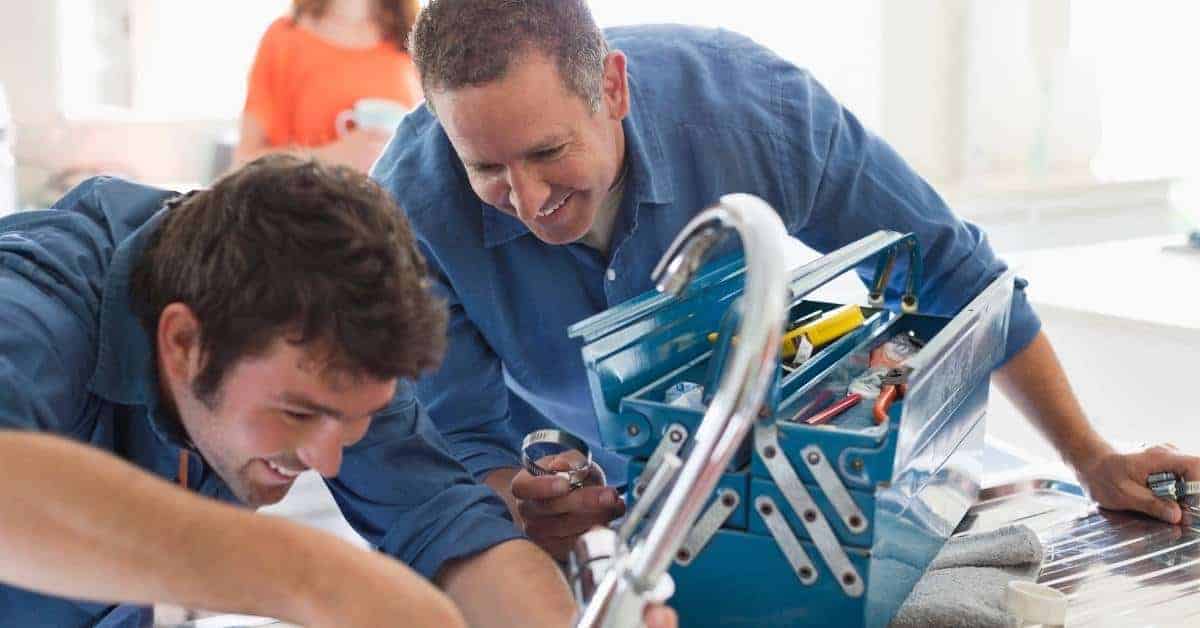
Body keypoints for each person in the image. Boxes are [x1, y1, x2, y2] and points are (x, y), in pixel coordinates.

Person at [371, 0, 1200, 561]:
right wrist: (523, 507)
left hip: (751, 456)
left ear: (613, 89)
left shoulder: (751, 109)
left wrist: (1092, 456)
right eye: (486, 167)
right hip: (565, 468)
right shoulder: (407, 207)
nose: (529, 201)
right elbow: (459, 437)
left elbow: (954, 273)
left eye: (549, 153)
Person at [0, 155, 656, 628]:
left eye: (353, 423)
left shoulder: (333, 358)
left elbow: (444, 524)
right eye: (296, 413)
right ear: (182, 343)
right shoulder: (34, 308)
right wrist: (314, 579)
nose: (329, 459)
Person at [234, 0, 423, 172]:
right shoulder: (284, 38)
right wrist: (330, 156)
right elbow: (242, 165)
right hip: (305, 205)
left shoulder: (415, 38)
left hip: (394, 207)